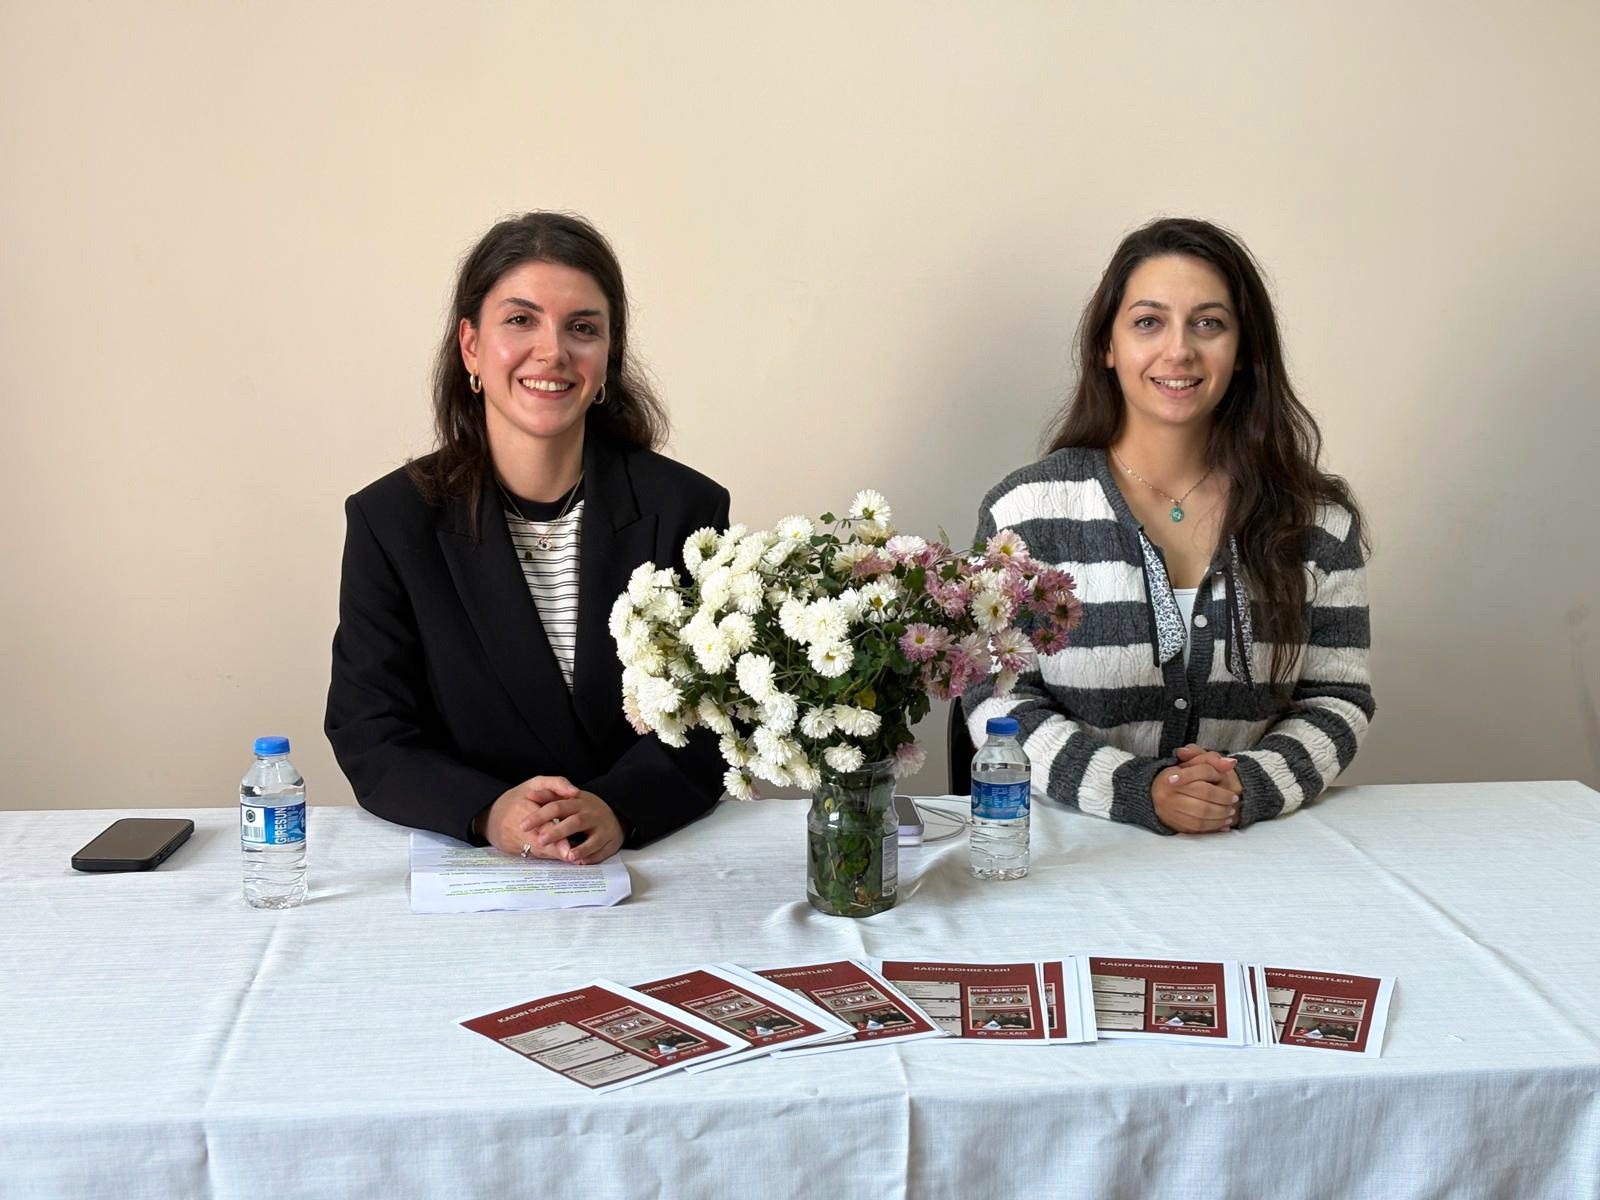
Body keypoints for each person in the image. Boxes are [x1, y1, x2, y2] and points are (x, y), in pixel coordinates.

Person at [326, 212, 729, 863]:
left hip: (647, 859)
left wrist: (619, 806)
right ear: (470, 347)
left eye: (583, 328)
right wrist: (488, 812)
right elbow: (370, 732)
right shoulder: (390, 520)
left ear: (607, 358)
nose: (553, 351)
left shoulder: (687, 508)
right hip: (471, 865)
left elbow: (716, 716)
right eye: (521, 320)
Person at [962, 217, 1372, 835]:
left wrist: (1244, 786)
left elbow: (1337, 698)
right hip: (1071, 857)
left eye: (1209, 323)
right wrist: (1136, 789)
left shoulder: (1315, 521)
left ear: (1245, 352)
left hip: (1260, 856)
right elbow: (998, 698)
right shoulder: (1025, 514)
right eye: (1148, 322)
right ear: (1108, 345)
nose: (1179, 350)